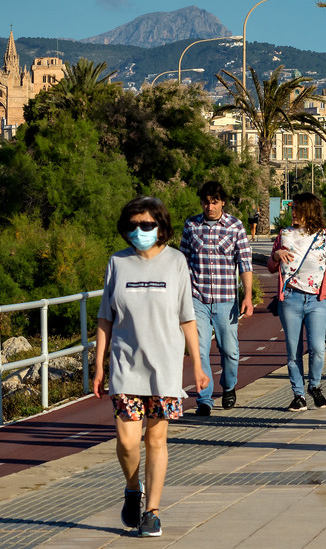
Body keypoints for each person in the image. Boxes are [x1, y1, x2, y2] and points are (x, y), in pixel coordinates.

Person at [93, 196, 209, 538]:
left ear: (160, 226)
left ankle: (152, 511)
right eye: (133, 226)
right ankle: (132, 487)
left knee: (156, 440)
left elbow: (187, 317)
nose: (139, 231)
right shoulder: (117, 262)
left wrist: (199, 367)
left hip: (165, 367)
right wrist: (98, 366)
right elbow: (105, 317)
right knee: (128, 442)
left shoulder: (176, 262)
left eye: (146, 225)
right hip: (125, 366)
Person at [179, 181, 254, 416]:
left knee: (229, 350)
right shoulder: (191, 225)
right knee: (199, 350)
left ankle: (229, 386)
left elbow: (244, 263)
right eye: (205, 201)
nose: (209, 206)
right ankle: (204, 398)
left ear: (222, 202)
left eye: (214, 202)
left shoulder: (235, 226)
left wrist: (248, 296)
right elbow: (182, 263)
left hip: (225, 299)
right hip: (196, 298)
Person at [268, 192, 326, 411]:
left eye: (296, 209)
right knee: (293, 350)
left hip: (317, 300)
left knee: (318, 347)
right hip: (290, 298)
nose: (292, 213)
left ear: (308, 211)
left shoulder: (325, 236)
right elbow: (272, 266)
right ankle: (298, 394)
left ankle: (315, 385)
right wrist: (276, 254)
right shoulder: (284, 235)